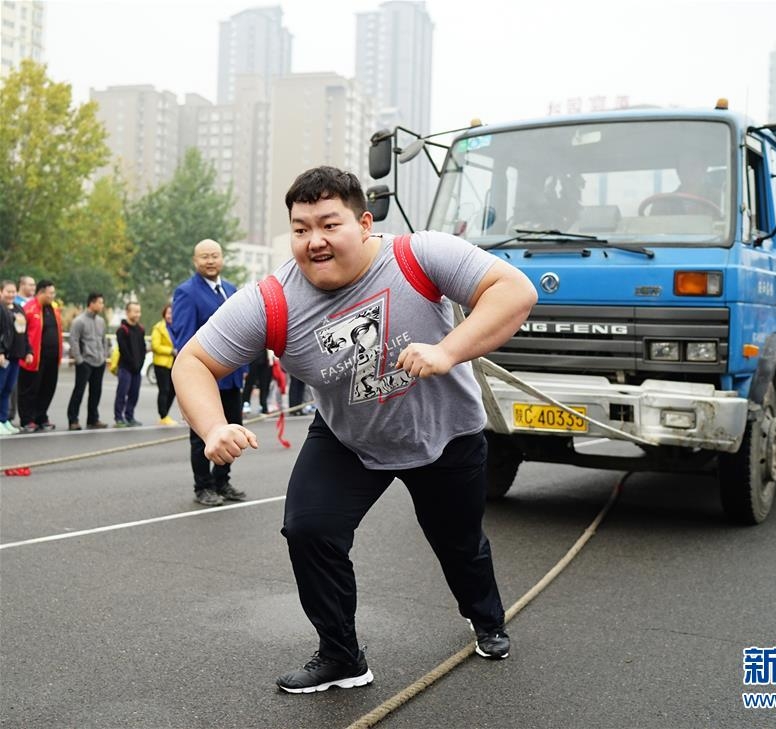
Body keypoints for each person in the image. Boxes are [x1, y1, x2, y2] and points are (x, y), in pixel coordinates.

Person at [172, 166, 537, 693]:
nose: (314, 241)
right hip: (350, 437)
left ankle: (486, 618)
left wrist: (447, 350)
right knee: (309, 529)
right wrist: (211, 428)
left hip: (446, 434)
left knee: (459, 545)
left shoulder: (420, 255)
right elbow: (193, 362)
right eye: (301, 229)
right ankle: (341, 655)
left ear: (364, 223)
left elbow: (514, 291)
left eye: (329, 225)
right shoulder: (273, 300)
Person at [171, 239, 248, 507]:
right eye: (204, 256)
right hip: (205, 380)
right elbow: (183, 339)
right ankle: (203, 486)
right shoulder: (186, 292)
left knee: (233, 431)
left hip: (233, 377)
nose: (210, 261)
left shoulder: (230, 290)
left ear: (222, 258)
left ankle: (222, 481)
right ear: (195, 261)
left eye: (215, 255)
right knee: (202, 436)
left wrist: (245, 368)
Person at [17, 280, 62, 433]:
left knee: (48, 388)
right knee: (30, 389)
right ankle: (27, 419)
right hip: (33, 357)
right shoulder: (28, 309)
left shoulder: (54, 309)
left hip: (52, 358)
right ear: (41, 292)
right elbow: (21, 332)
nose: (53, 296)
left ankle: (41, 417)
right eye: (51, 293)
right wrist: (25, 352)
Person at [66, 292, 109, 430]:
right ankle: (73, 420)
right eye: (100, 302)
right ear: (91, 303)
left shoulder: (101, 321)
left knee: (96, 392)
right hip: (85, 362)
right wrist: (79, 360)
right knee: (79, 391)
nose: (102, 305)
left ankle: (93, 419)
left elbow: (104, 340)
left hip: (99, 361)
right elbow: (73, 340)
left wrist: (104, 356)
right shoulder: (79, 321)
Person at [0, 280, 33, 435]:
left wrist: (28, 351)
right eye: (8, 291)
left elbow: (24, 333)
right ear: (1, 292)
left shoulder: (19, 309)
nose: (11, 295)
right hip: (4, 356)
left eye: (13, 292)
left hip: (15, 356)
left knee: (8, 389)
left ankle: (4, 420)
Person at [113, 302, 146, 427]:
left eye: (139, 311)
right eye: (135, 311)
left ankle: (130, 416)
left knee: (134, 393)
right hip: (125, 368)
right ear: (127, 312)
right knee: (122, 392)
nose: (138, 314)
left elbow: (143, 348)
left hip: (137, 369)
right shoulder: (122, 330)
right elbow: (123, 350)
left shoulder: (140, 329)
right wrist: (132, 363)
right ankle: (118, 417)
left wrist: (140, 363)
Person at [151, 304, 178, 425]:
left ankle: (166, 413)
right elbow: (155, 346)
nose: (170, 316)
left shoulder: (176, 327)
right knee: (164, 390)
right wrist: (170, 351)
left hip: (173, 363)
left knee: (173, 390)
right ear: (164, 314)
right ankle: (163, 415)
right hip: (161, 363)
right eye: (168, 313)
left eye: (172, 313)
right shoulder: (158, 327)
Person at [242, 349, 273, 414]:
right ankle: (245, 404)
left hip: (265, 360)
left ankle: (264, 406)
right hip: (252, 360)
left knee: (264, 385)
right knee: (249, 384)